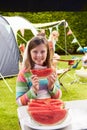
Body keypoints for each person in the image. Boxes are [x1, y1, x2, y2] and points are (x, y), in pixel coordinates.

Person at [16, 36, 62, 106]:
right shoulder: (23, 73)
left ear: (47, 53)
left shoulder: (52, 70)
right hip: (33, 110)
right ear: (29, 53)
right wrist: (33, 90)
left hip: (49, 110)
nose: (39, 55)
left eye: (43, 51)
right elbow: (19, 102)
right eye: (35, 51)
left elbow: (58, 96)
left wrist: (51, 86)